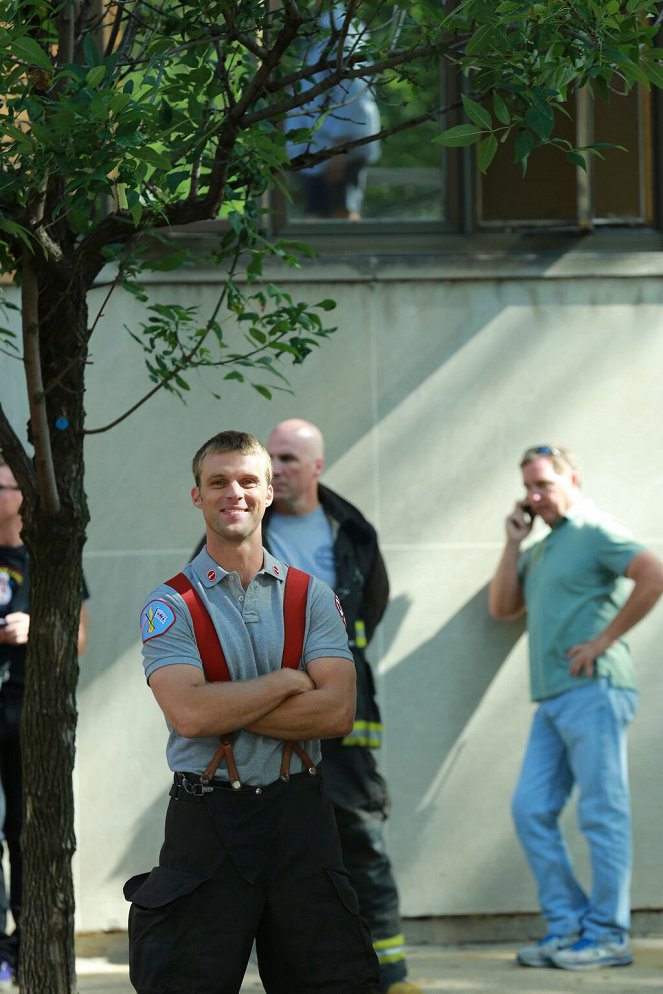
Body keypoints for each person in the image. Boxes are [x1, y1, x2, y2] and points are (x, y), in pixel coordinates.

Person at [126, 430, 379, 994]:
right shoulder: (170, 605)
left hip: (301, 818)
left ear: (268, 492)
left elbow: (337, 712)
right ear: (197, 496)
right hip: (208, 820)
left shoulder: (312, 595)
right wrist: (289, 683)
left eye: (247, 481)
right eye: (217, 481)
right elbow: (190, 716)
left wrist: (225, 702)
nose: (232, 493)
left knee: (334, 981)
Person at [488, 444, 663, 972]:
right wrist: (513, 542)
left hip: (596, 690)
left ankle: (608, 935)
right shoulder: (542, 547)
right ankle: (568, 929)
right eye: (529, 488)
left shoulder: (593, 531)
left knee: (602, 813)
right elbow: (502, 609)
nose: (536, 496)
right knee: (530, 809)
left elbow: (653, 574)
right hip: (553, 700)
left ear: (573, 480)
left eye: (544, 484)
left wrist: (603, 641)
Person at [263, 419, 421, 994]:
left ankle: (391, 974)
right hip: (269, 705)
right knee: (275, 840)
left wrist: (328, 667)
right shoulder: (241, 526)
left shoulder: (352, 529)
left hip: (344, 703)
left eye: (287, 459)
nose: (275, 470)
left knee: (359, 835)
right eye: (270, 458)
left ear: (316, 467)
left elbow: (369, 608)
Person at [0, 458, 88, 988]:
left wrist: (39, 626)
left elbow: (76, 639)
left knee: (27, 833)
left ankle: (23, 943)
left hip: (29, 718)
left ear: (20, 493)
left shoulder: (47, 556)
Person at [286, 4, 381, 220]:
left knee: (340, 215)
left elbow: (352, 90)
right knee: (317, 214)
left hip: (334, 147)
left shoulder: (339, 28)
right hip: (319, 147)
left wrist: (339, 151)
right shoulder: (319, 28)